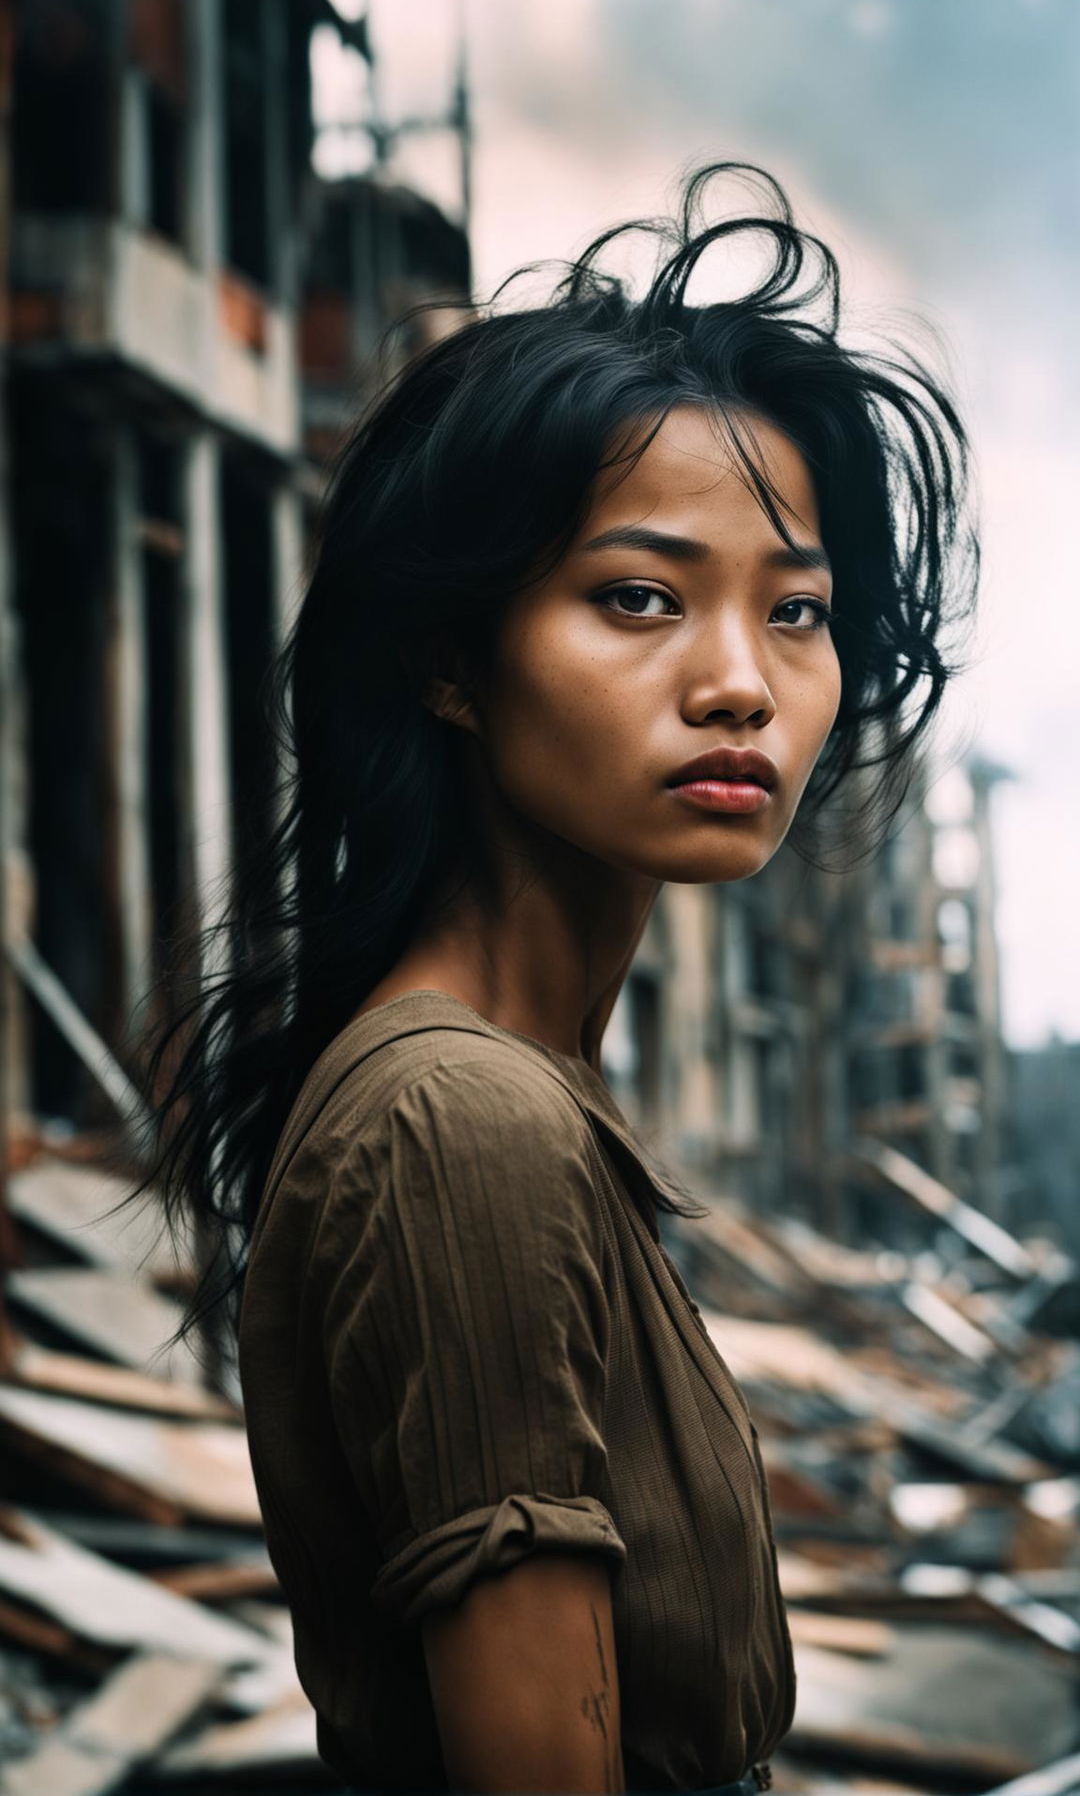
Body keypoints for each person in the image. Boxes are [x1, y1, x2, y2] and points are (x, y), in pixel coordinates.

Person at [137, 161, 979, 1793]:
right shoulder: (461, 1124)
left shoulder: (517, 1097)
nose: (740, 683)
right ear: (452, 660)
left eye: (795, 613)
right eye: (639, 599)